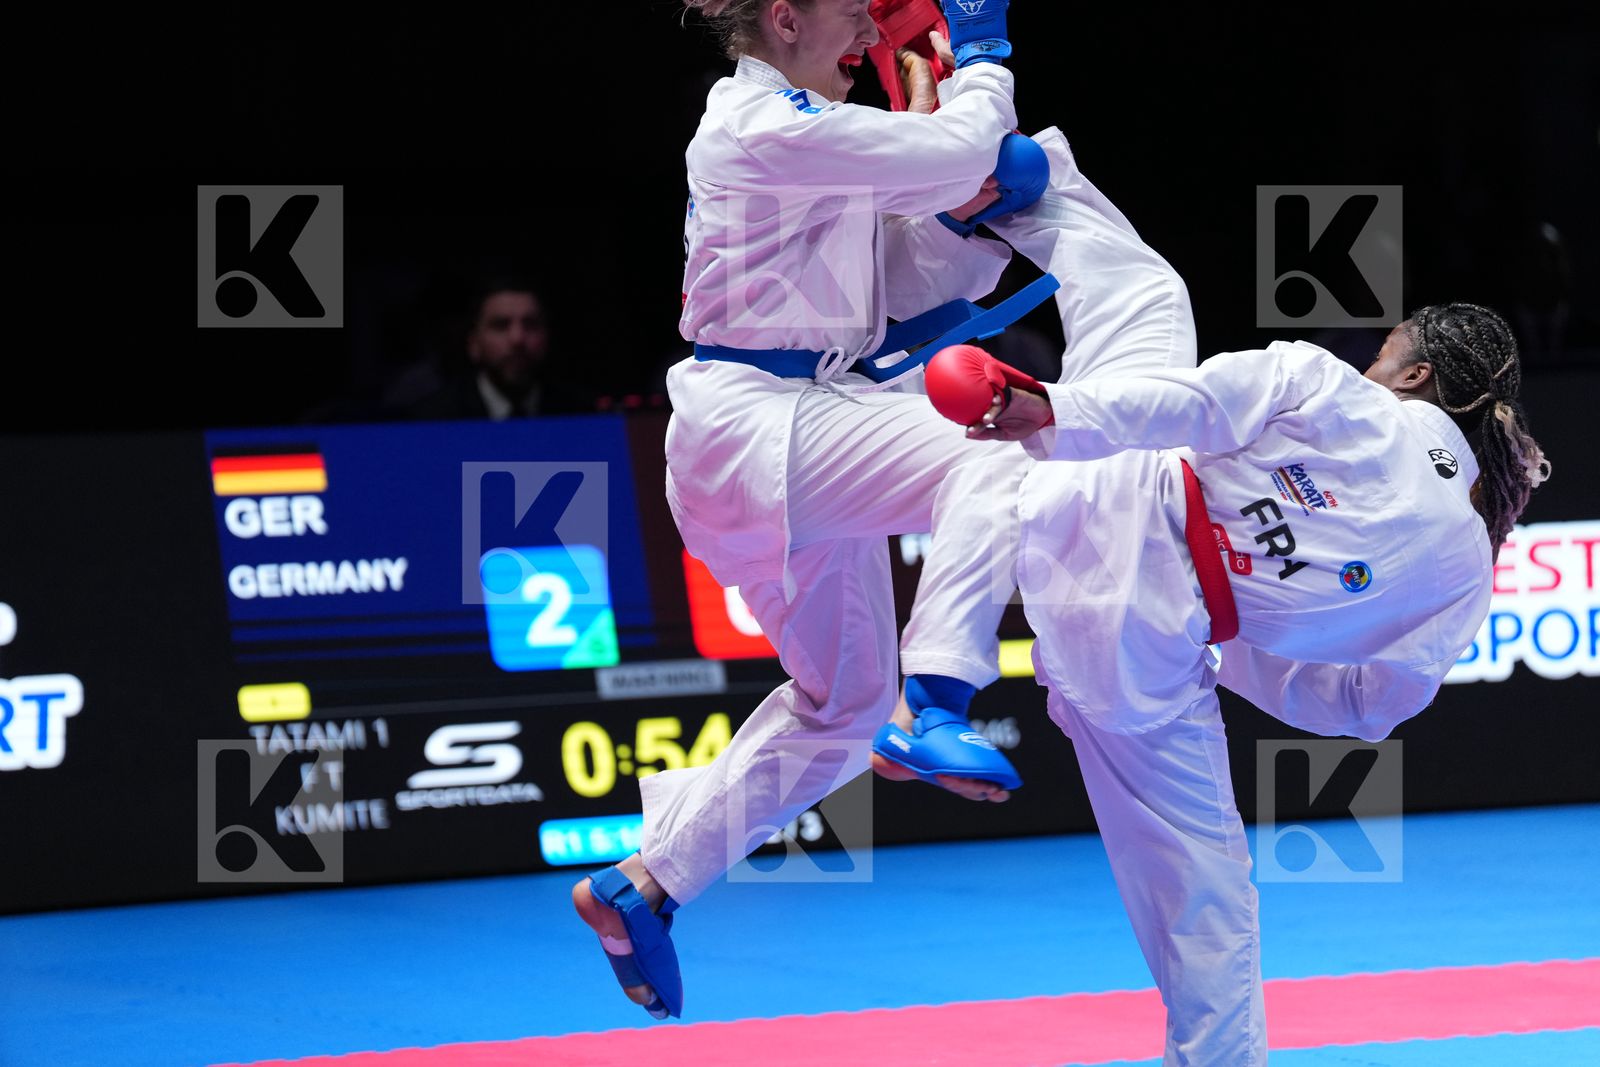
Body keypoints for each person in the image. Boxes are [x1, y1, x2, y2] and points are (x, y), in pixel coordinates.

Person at [928, 167, 1552, 1058]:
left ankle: (984, 157)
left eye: (1387, 348)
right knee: (1211, 918)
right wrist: (1233, 642)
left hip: (1109, 501)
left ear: (1414, 373)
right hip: (1141, 664)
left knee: (1144, 289)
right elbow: (1373, 706)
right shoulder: (1466, 568)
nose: (1371, 356)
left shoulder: (1337, 391)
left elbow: (1190, 403)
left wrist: (1049, 408)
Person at [572, 0, 1040, 1022]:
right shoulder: (760, 125)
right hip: (758, 428)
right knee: (993, 450)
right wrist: (985, 62)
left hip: (788, 433)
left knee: (840, 709)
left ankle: (642, 885)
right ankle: (942, 700)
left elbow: (911, 279)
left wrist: (968, 210)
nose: (872, 28)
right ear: (783, 19)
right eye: (850, 11)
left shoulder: (806, 134)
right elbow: (955, 149)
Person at [381, 278, 592, 419]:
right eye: (500, 325)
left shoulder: (582, 414)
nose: (517, 339)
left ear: (547, 336)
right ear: (474, 343)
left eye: (530, 324)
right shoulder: (433, 420)